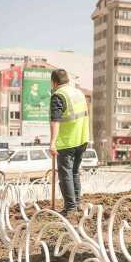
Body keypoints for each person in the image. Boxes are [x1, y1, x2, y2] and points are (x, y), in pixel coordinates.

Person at [49, 69, 90, 216]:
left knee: (65, 174)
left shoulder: (58, 95)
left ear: (54, 82)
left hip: (67, 141)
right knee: (74, 173)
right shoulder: (78, 93)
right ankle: (76, 204)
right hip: (82, 138)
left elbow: (55, 120)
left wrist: (52, 142)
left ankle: (71, 208)